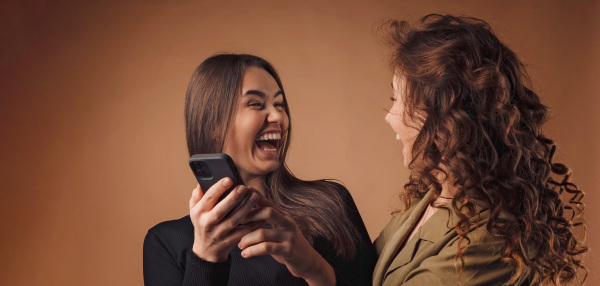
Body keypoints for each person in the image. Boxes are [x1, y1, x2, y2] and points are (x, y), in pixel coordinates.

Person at [373, 14, 588, 285]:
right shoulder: (432, 197)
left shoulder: (487, 244)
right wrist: (316, 269)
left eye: (397, 99)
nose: (389, 116)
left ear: (447, 122)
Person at [143, 53, 377, 286]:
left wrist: (312, 266)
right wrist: (206, 258)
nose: (278, 117)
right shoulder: (166, 242)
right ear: (213, 124)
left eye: (279, 104)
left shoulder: (330, 204)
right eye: (255, 104)